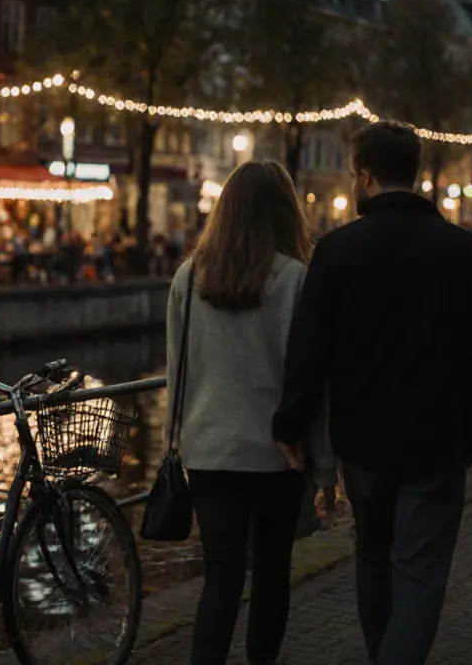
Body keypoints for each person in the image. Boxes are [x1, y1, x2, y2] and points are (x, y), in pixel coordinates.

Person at [273, 122, 472, 665]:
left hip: (365, 442)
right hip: (437, 440)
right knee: (420, 575)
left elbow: (310, 349)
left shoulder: (337, 250)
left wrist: (291, 424)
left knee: (372, 558)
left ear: (366, 175)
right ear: (415, 173)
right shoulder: (464, 251)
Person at [166, 160, 336, 665]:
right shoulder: (296, 280)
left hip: (209, 451)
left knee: (219, 579)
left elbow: (178, 371)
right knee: (270, 575)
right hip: (276, 455)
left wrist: (171, 444)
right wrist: (326, 468)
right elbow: (312, 382)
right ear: (284, 212)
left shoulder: (189, 277)